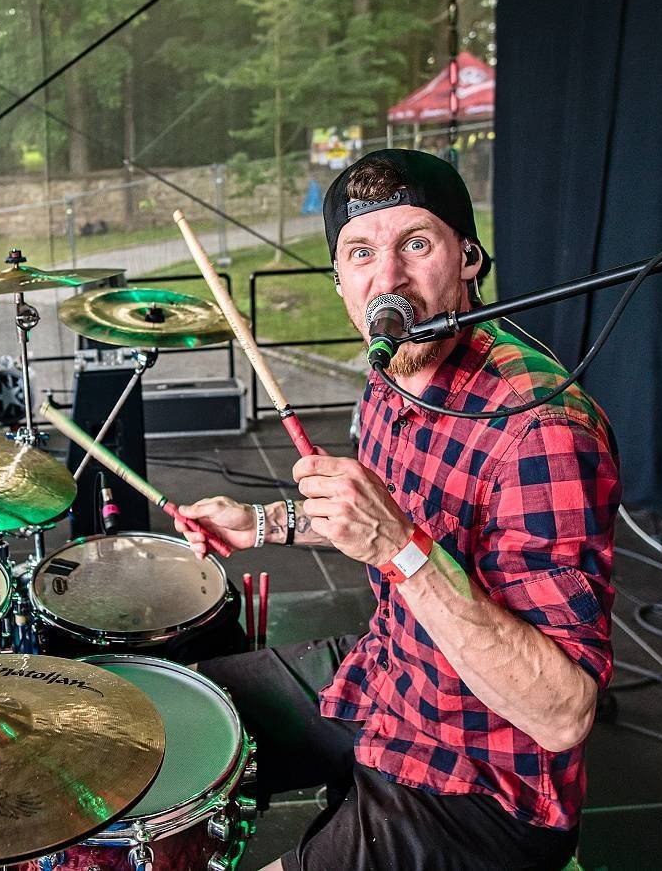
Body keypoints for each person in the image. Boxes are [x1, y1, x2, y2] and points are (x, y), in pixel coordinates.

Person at [174, 149, 620, 871]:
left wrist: (397, 546)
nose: (388, 280)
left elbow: (562, 712)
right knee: (166, 724)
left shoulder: (541, 428)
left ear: (468, 258)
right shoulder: (396, 365)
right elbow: (388, 516)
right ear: (339, 279)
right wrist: (263, 523)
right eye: (361, 253)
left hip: (484, 780)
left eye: (416, 244)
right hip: (390, 672)